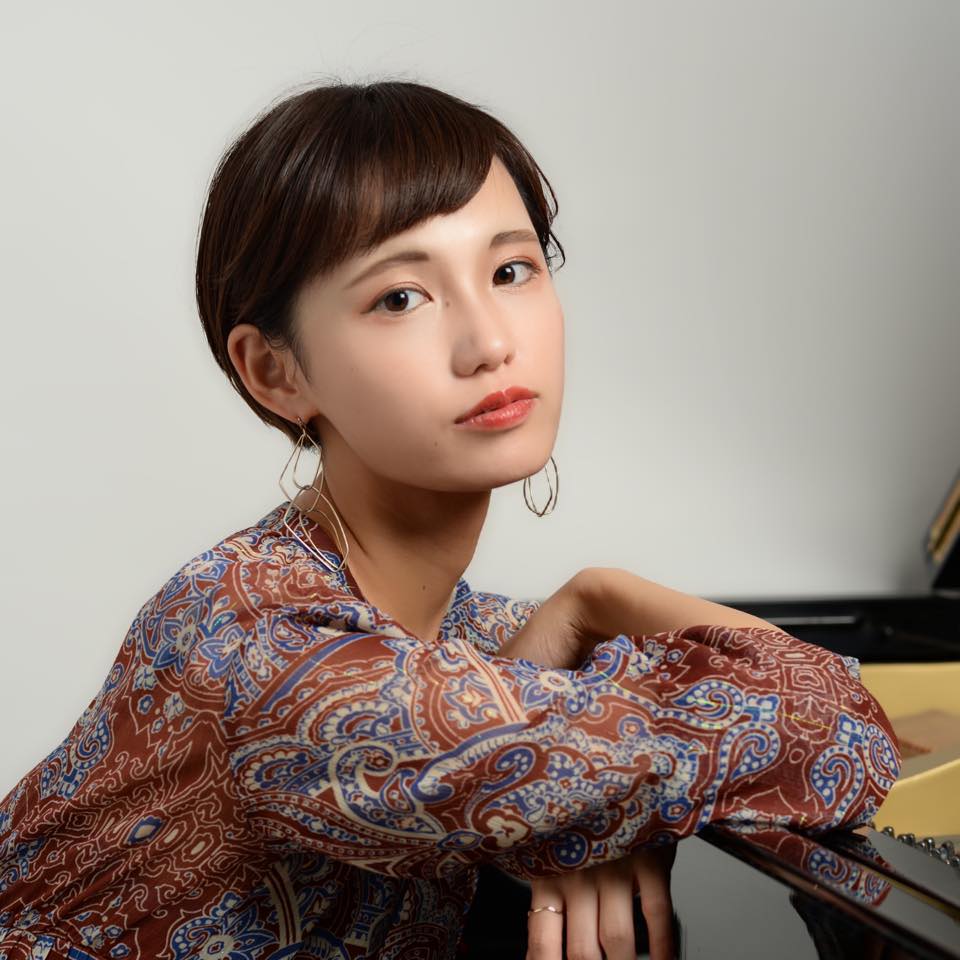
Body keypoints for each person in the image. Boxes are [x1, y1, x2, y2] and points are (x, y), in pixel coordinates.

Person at [0, 78, 901, 960]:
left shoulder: (445, 632)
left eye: (511, 271)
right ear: (277, 372)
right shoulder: (265, 647)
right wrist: (603, 615)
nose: (490, 343)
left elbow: (812, 713)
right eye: (400, 297)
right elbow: (834, 728)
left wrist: (593, 794)